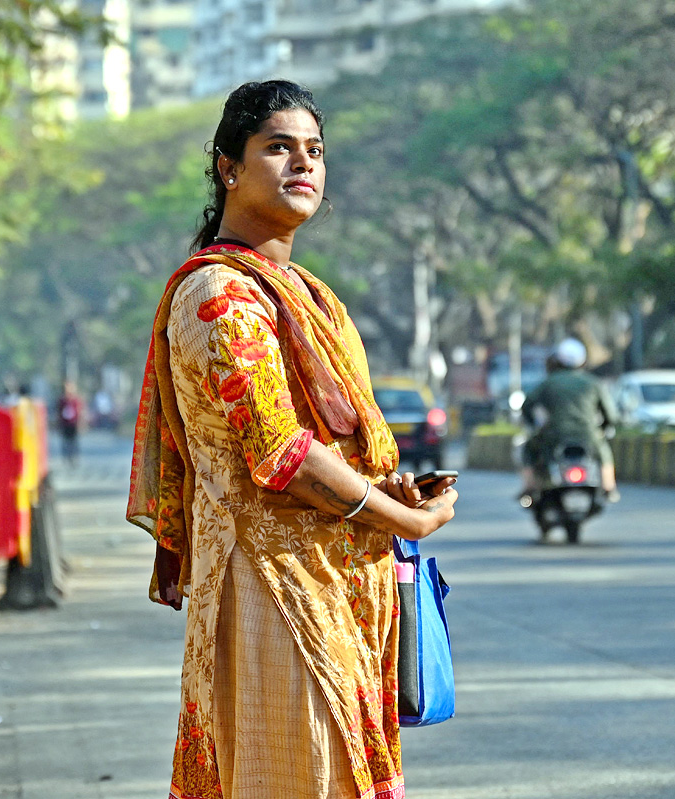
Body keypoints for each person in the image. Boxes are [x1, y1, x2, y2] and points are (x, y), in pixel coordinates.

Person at [128, 80, 459, 799]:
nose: (301, 164)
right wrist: (406, 518)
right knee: (297, 774)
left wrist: (383, 489)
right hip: (272, 590)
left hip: (336, 585)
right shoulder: (220, 293)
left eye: (313, 150)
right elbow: (280, 453)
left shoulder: (309, 294)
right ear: (228, 167)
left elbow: (331, 447)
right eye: (276, 147)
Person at [519, 337, 619, 501]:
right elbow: (611, 415)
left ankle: (530, 488)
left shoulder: (549, 382)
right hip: (587, 435)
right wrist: (602, 429)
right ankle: (609, 487)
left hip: (554, 435)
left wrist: (534, 426)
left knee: (529, 450)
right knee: (604, 451)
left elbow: (527, 405)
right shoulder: (592, 383)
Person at [57, 381, 83, 466]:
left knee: (74, 442)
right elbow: (59, 412)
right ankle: (67, 458)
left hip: (73, 423)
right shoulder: (62, 400)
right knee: (66, 442)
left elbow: (79, 411)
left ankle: (74, 458)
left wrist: (80, 423)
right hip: (65, 424)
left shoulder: (76, 400)